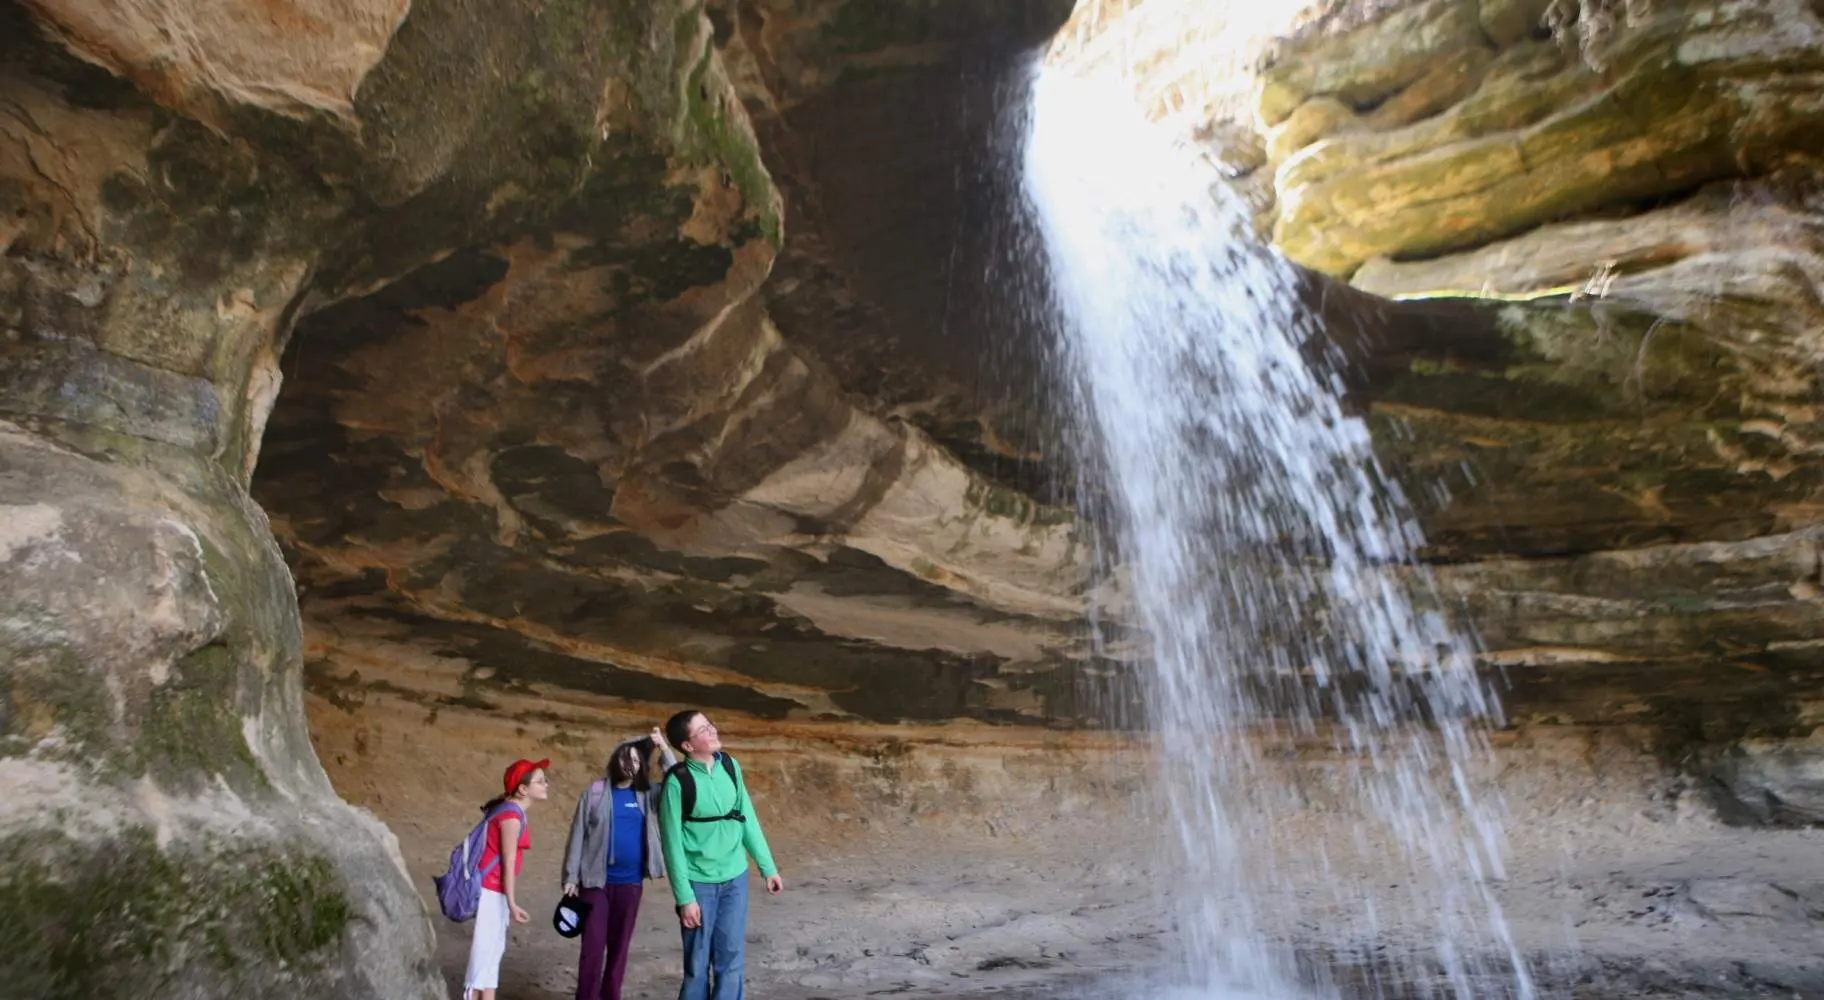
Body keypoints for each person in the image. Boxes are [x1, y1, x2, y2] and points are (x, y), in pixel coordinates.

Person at [657, 710, 784, 1000]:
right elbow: (672, 844)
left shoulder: (730, 766)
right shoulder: (678, 782)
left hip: (734, 878)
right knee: (697, 963)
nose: (712, 730)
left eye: (709, 724)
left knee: (731, 959)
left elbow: (746, 818)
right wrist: (684, 898)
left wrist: (767, 867)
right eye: (702, 730)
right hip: (699, 883)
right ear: (687, 746)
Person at [561, 728, 678, 1000]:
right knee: (592, 947)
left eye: (637, 761)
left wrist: (664, 748)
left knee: (619, 947)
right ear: (616, 760)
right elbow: (578, 834)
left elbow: (676, 779)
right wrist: (570, 876)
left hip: (630, 883)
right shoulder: (596, 793)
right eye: (626, 759)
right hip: (595, 882)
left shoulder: (648, 795)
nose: (631, 765)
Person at [465, 757, 551, 1000]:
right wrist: (512, 903)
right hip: (491, 891)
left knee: (490, 962)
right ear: (523, 789)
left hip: (494, 891)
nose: (546, 785)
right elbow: (508, 860)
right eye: (541, 781)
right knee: (482, 964)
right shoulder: (511, 816)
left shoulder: (508, 810)